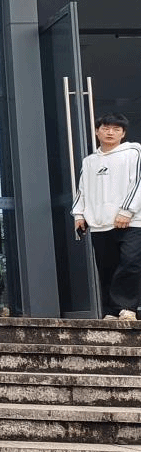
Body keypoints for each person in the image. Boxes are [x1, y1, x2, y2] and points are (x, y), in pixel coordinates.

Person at [72, 113, 141, 320]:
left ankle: (127, 308)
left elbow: (138, 183)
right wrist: (78, 214)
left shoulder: (134, 153)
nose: (110, 132)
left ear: (123, 133)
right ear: (97, 131)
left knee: (130, 263)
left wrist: (126, 211)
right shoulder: (90, 161)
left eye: (116, 129)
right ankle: (112, 311)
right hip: (100, 223)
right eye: (105, 128)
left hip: (132, 222)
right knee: (107, 268)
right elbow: (82, 190)